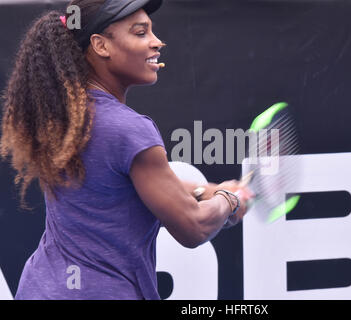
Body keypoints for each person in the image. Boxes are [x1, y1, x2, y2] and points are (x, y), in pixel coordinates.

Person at [0, 0, 253, 300]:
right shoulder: (128, 129)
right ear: (100, 45)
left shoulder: (64, 119)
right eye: (140, 32)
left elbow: (119, 184)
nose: (157, 42)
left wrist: (203, 191)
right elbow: (194, 227)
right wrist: (231, 200)